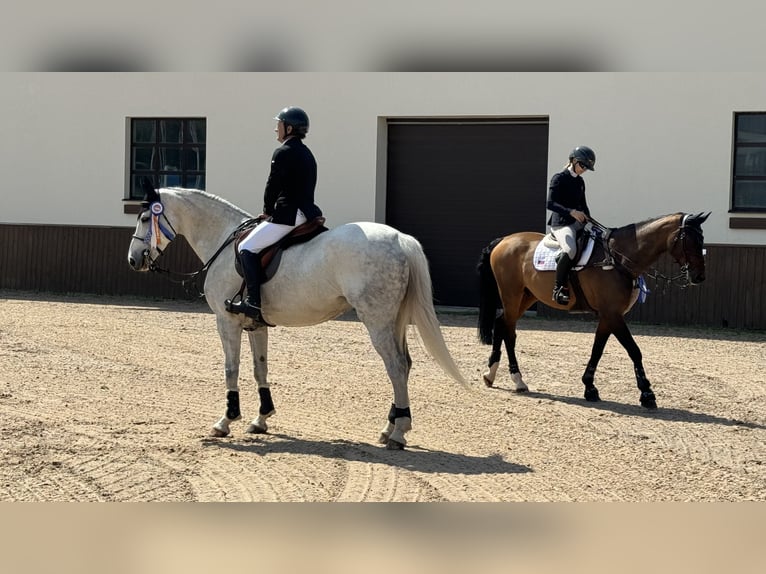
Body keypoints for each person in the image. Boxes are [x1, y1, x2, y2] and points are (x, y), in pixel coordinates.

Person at [225, 106, 323, 324]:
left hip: (288, 214)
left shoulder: (283, 152)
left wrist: (267, 211)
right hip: (307, 213)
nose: (275, 129)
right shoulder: (307, 153)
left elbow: (273, 186)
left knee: (245, 247)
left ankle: (253, 303)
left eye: (278, 125)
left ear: (289, 128)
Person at [546, 145, 596, 305]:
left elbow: (584, 205)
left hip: (578, 223)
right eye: (583, 166)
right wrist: (571, 212)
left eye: (586, 168)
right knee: (571, 250)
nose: (584, 170)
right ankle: (558, 288)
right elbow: (550, 203)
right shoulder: (559, 178)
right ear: (574, 161)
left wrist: (590, 220)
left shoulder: (580, 182)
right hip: (561, 224)